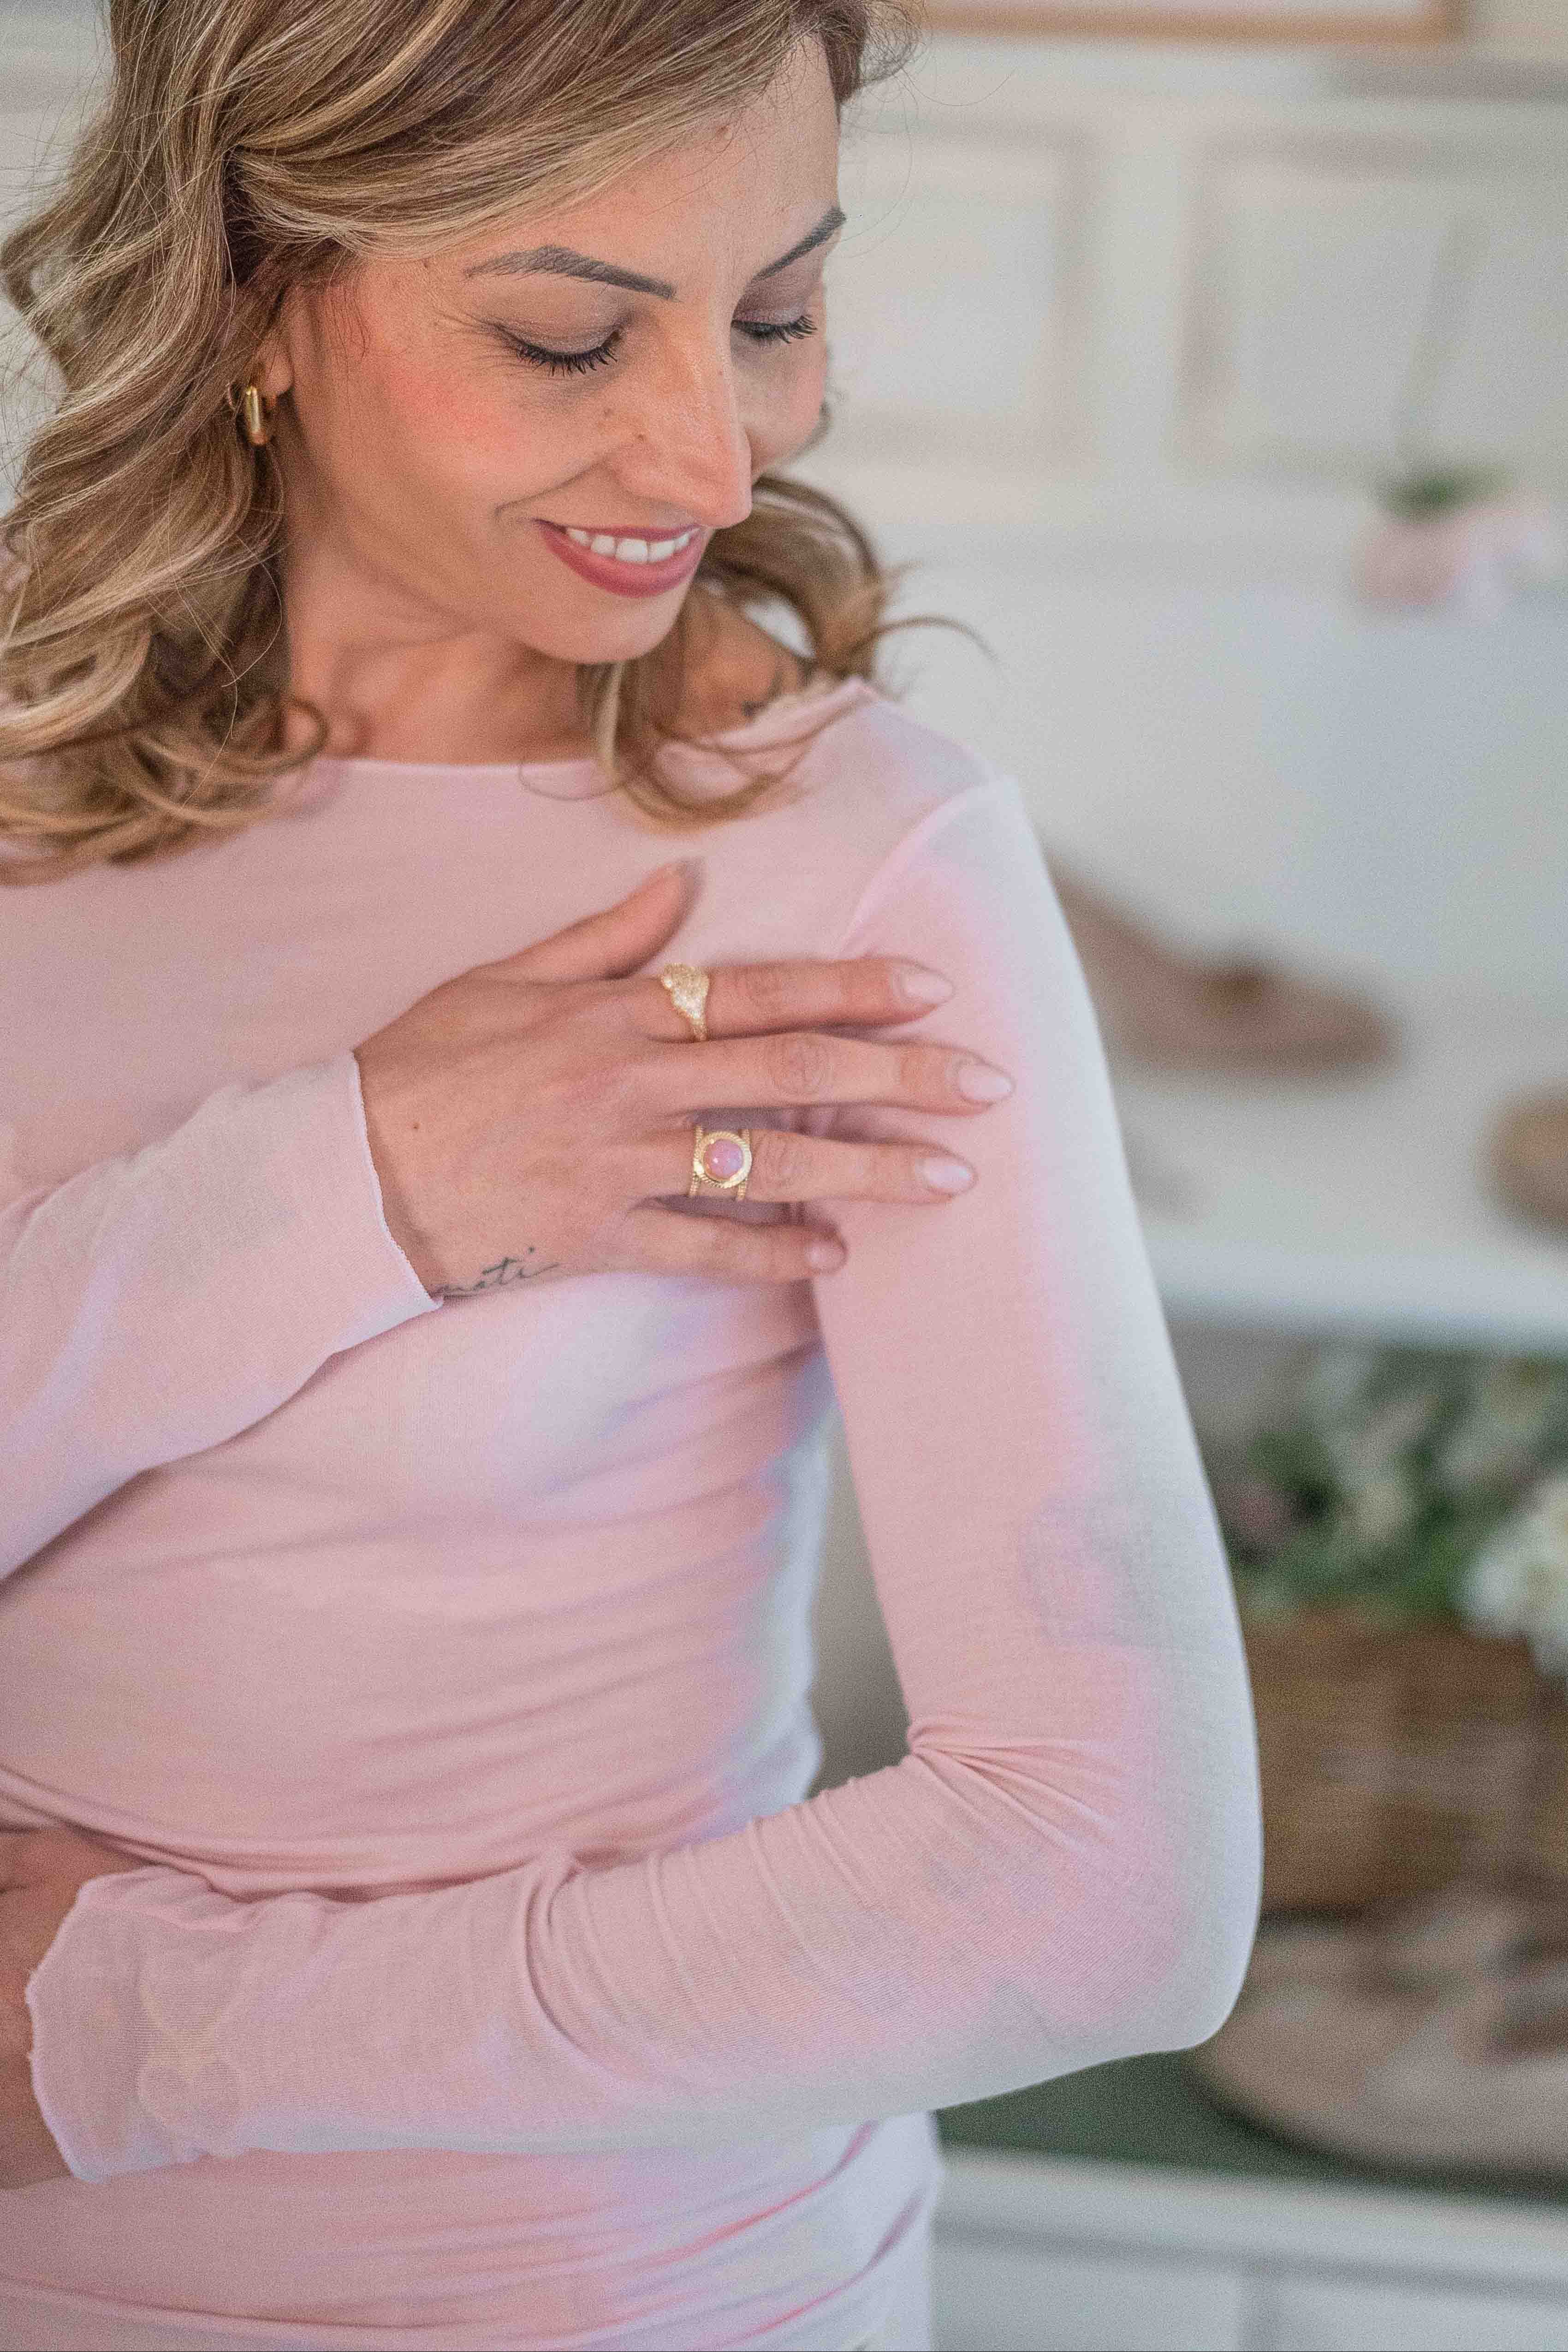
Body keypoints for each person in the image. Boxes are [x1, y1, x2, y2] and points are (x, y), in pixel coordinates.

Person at [0, 0, 1262, 2344]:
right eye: (570, 336)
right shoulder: (23, 788)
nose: (717, 445)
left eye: (775, 309)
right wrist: (351, 1183)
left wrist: (135, 2030)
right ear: (251, 290)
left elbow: (1108, 1892)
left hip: (616, 2293)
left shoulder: (851, 864)